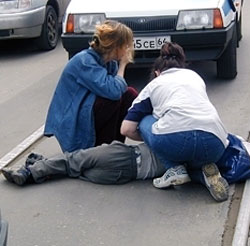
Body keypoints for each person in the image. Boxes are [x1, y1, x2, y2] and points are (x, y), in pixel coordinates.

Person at [120, 42, 230, 202]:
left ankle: (174, 168)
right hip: (215, 142)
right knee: (192, 159)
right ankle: (204, 174)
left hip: (175, 141)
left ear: (157, 72)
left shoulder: (153, 86)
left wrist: (155, 143)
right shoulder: (195, 77)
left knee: (145, 121)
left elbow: (126, 129)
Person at [44, 20, 138, 153]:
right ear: (116, 46)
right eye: (126, 45)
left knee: (129, 95)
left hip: (87, 110)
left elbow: (120, 89)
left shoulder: (109, 62)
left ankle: (114, 145)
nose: (128, 49)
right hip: (74, 120)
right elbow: (114, 91)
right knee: (113, 100)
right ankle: (103, 150)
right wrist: (123, 65)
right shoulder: (85, 61)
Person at [1, 141, 166, 186]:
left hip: (125, 155)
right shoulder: (186, 158)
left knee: (74, 160)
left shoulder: (172, 137)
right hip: (122, 177)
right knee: (75, 171)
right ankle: (39, 168)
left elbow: (128, 129)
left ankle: (29, 172)